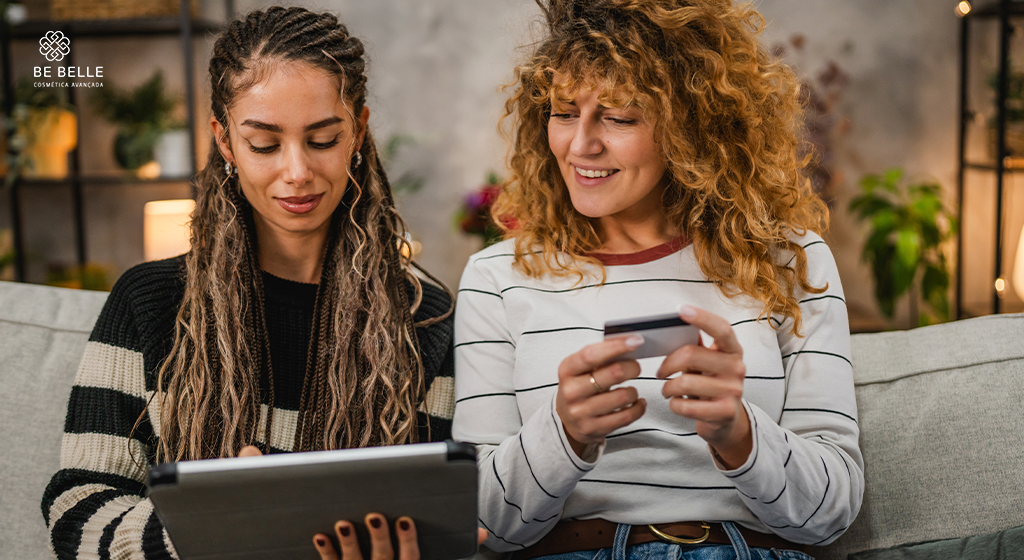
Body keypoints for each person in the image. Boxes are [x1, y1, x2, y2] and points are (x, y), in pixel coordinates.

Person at [41, 7, 460, 560]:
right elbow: (78, 508)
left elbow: (432, 512)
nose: (297, 172)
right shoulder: (151, 301)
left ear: (357, 130)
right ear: (224, 140)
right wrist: (218, 524)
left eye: (323, 139)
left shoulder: (423, 317)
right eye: (264, 143)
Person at [452, 1, 864, 559]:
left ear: (692, 127)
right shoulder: (498, 277)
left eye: (619, 118)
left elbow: (832, 514)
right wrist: (564, 434)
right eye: (564, 111)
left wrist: (738, 435)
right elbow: (482, 525)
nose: (580, 145)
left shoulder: (790, 260)